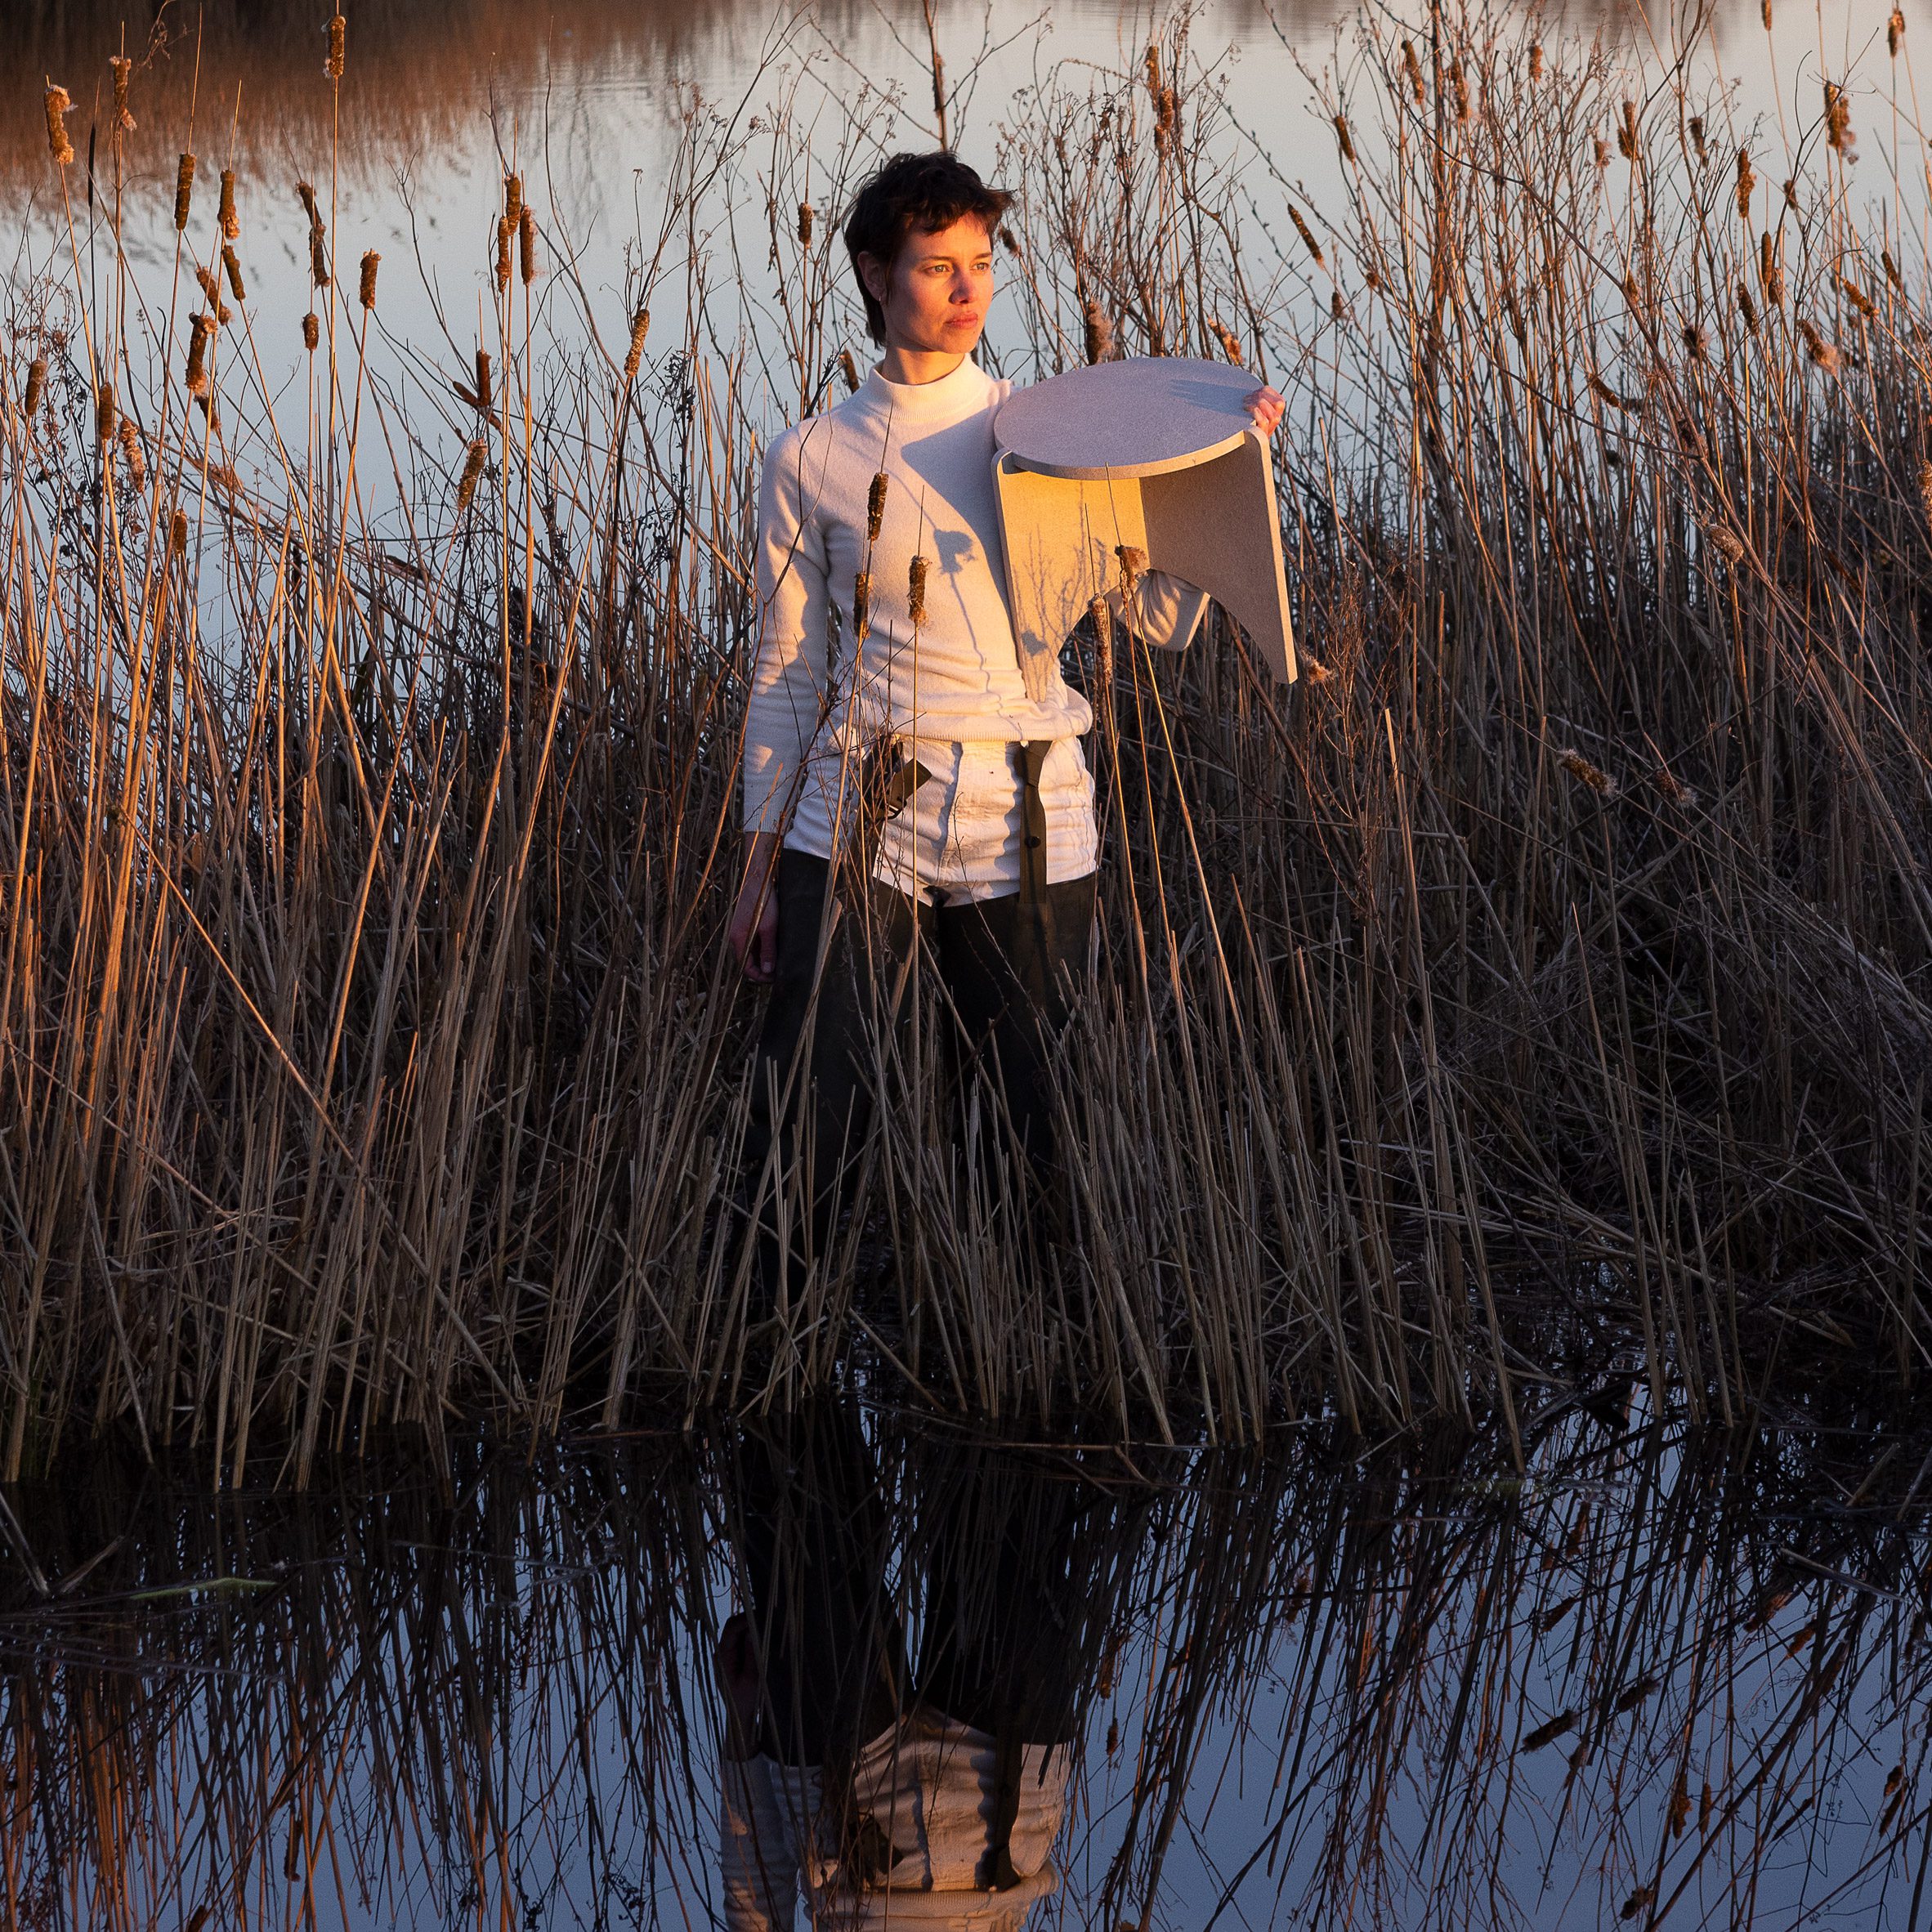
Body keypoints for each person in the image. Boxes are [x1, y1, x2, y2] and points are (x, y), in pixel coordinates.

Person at [729, 148, 1284, 1316]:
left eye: (982, 264)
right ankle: (761, 1357)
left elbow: (1161, 617)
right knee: (806, 1120)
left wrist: (1228, 463)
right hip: (858, 812)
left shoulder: (1056, 433)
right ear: (877, 277)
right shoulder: (810, 458)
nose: (968, 289)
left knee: (1037, 1126)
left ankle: (1047, 1360)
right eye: (939, 267)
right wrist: (758, 871)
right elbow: (787, 675)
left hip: (1023, 815)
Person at [712, 1403, 1151, 1930]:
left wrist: (743, 1728)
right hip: (1010, 1799)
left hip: (840, 1809)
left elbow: (756, 1908)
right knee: (1006, 1438)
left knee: (796, 1471)